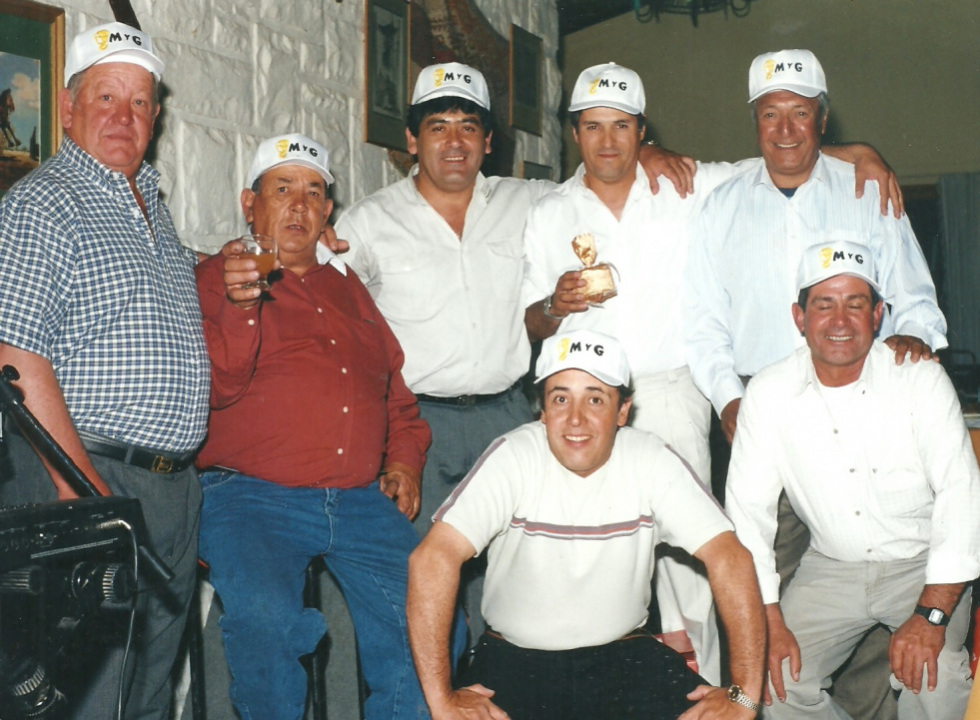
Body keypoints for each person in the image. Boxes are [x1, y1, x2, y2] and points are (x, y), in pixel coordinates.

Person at [521, 61, 905, 683]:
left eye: (622, 126)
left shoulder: (686, 184)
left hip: (669, 390)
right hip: (581, 401)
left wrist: (860, 153)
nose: (608, 141)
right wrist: (553, 305)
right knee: (584, 548)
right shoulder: (548, 211)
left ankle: (701, 691)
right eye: (593, 126)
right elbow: (531, 324)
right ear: (574, 133)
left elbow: (782, 157)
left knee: (691, 555)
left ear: (643, 129)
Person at [331, 61, 692, 647]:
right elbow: (323, 302)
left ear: (489, 141)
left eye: (469, 127)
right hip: (417, 427)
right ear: (411, 140)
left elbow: (602, 170)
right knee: (425, 581)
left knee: (515, 586)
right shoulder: (369, 221)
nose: (454, 142)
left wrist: (647, 151)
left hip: (505, 417)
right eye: (438, 127)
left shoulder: (529, 201)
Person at [685, 49, 948, 716]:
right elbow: (702, 323)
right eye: (770, 114)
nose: (785, 129)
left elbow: (914, 296)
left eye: (800, 113)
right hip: (761, 411)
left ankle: (866, 711)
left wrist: (914, 341)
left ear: (822, 119)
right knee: (764, 581)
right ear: (754, 120)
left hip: (862, 401)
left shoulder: (866, 187)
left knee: (866, 567)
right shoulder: (720, 205)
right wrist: (729, 398)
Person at [193, 134, 453, 720]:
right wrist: (241, 307)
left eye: (313, 192)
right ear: (249, 204)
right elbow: (215, 387)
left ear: (328, 210)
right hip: (250, 496)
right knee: (268, 623)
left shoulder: (347, 284)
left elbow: (395, 393)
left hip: (356, 499)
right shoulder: (215, 277)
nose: (299, 205)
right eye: (281, 188)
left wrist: (403, 461)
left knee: (434, 618)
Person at [0, 23, 207, 720]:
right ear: (67, 108)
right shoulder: (42, 204)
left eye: (140, 101)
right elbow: (15, 355)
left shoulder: (150, 204)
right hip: (88, 476)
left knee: (147, 694)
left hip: (171, 490)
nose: (124, 116)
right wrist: (81, 493)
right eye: (106, 97)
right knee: (87, 695)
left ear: (156, 115)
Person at [407, 329, 766, 719]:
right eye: (560, 399)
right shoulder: (514, 456)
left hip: (625, 657)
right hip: (516, 661)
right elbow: (432, 559)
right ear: (542, 411)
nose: (575, 419)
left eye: (595, 399)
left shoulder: (650, 458)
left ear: (622, 411)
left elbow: (730, 558)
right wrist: (441, 698)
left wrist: (743, 696)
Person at [725, 241, 980, 719]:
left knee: (931, 676)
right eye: (823, 304)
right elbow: (748, 517)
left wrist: (931, 615)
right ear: (799, 317)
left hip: (921, 564)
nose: (840, 320)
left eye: (855, 304)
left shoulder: (920, 379)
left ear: (877, 315)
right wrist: (767, 618)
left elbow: (963, 498)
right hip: (832, 565)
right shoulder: (768, 393)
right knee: (776, 680)